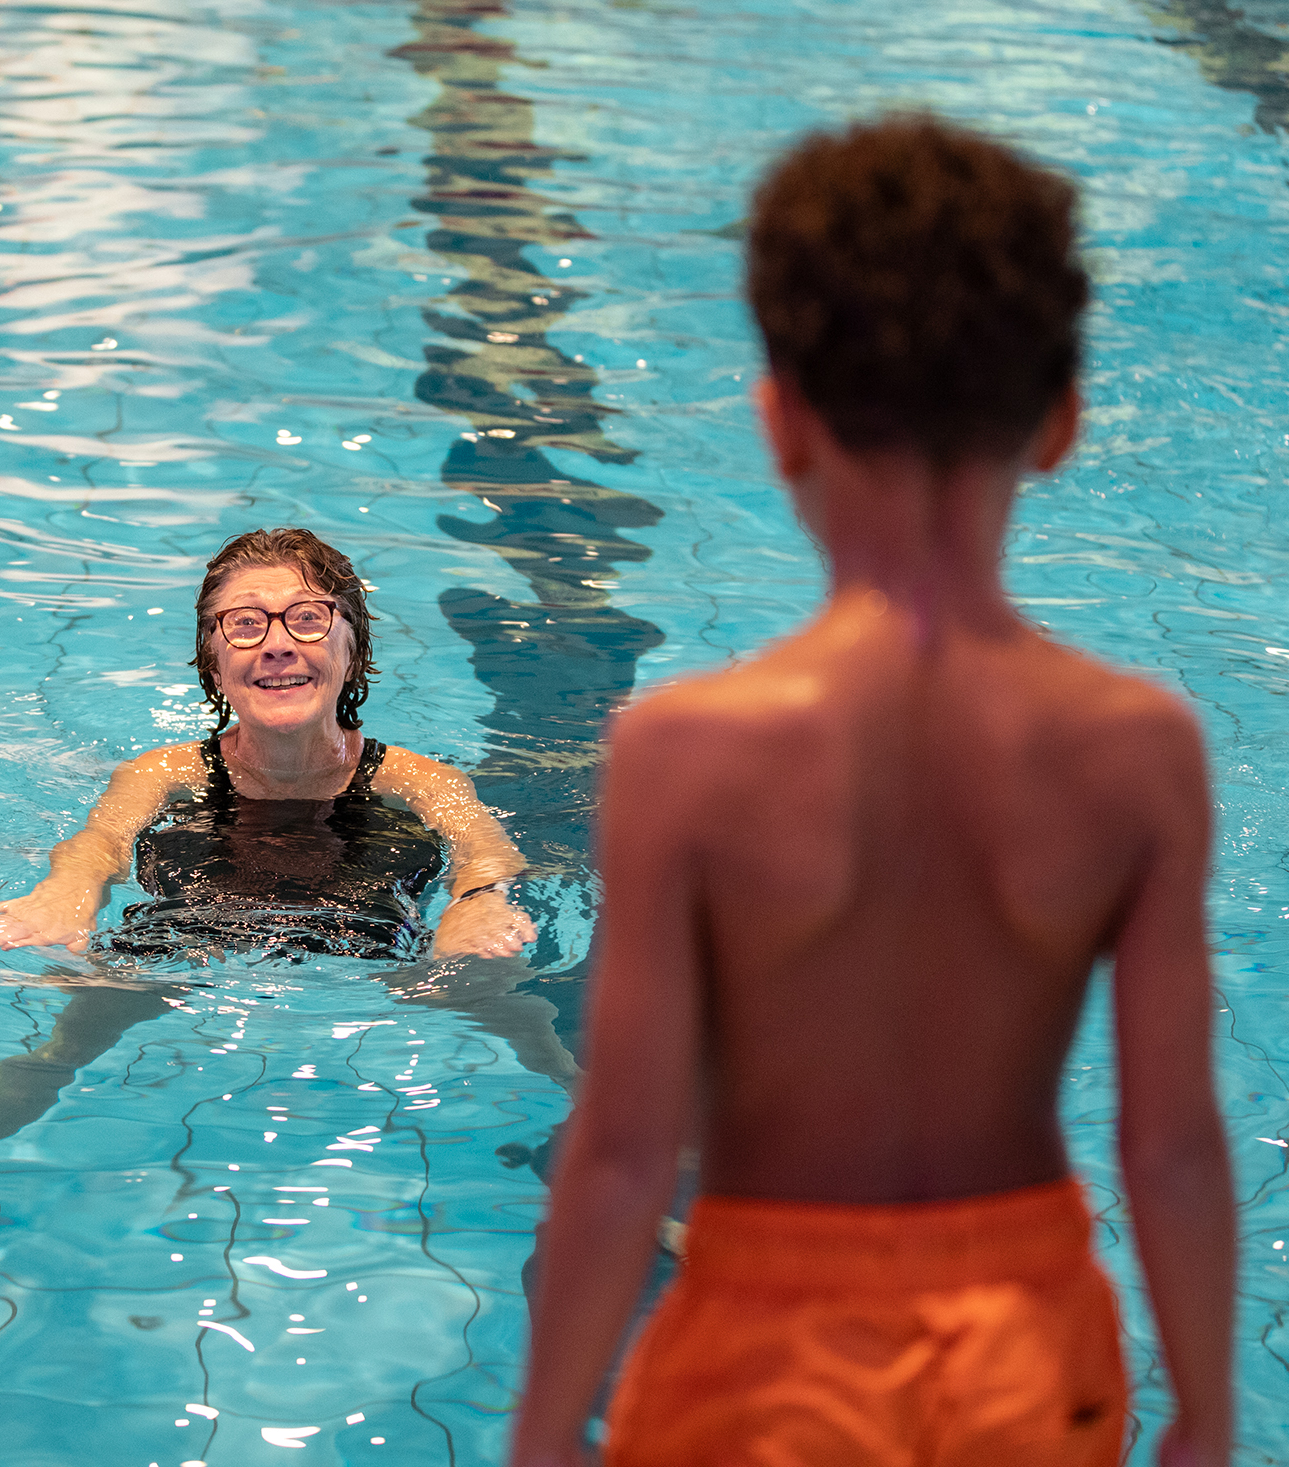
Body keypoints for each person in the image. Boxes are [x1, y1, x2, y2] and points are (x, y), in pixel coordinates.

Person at [512, 116, 1234, 1467]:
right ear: (1064, 419)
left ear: (779, 416)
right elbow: (1174, 1141)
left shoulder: (687, 749)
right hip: (1027, 1352)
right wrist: (1206, 1409)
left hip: (759, 1360)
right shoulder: (1139, 746)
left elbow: (620, 1156)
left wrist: (545, 1430)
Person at [0, 527, 538, 963]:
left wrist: (479, 903)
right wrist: (66, 890)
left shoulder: (420, 782)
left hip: (374, 952)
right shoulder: (162, 773)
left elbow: (485, 853)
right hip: (179, 942)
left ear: (354, 652)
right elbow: (100, 843)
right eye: (244, 624)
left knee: (493, 987)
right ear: (213, 664)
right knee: (68, 1024)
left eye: (307, 619)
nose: (276, 646)